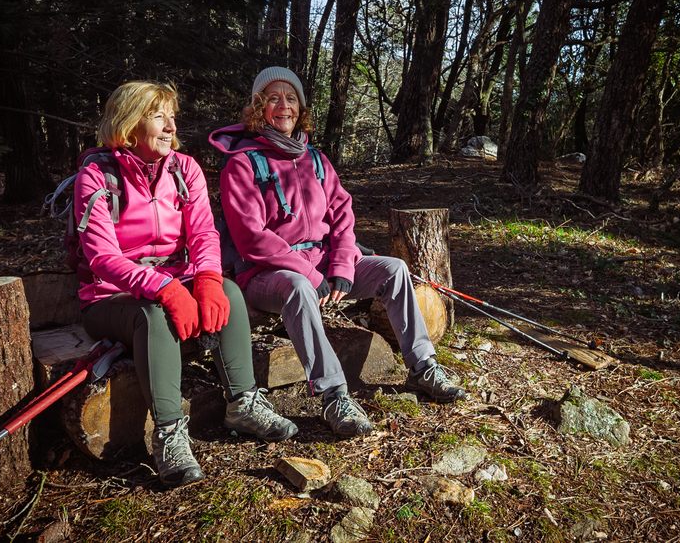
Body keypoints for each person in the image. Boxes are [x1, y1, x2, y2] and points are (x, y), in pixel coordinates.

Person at [209, 67, 467, 438]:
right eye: (273, 98)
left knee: (393, 269)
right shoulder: (241, 164)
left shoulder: (316, 160)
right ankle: (334, 395)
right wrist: (313, 276)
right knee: (298, 287)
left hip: (324, 262)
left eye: (292, 98)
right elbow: (252, 238)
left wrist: (342, 266)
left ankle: (423, 367)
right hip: (267, 274)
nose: (284, 106)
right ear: (258, 106)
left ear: (301, 108)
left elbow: (343, 216)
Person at [75, 80, 297, 487]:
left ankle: (243, 403)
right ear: (129, 123)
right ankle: (169, 433)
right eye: (158, 116)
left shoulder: (184, 169)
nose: (170, 126)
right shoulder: (96, 175)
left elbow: (204, 235)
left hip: (176, 278)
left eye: (172, 118)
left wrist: (209, 277)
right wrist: (163, 288)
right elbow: (101, 258)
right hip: (111, 297)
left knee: (229, 291)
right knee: (153, 315)